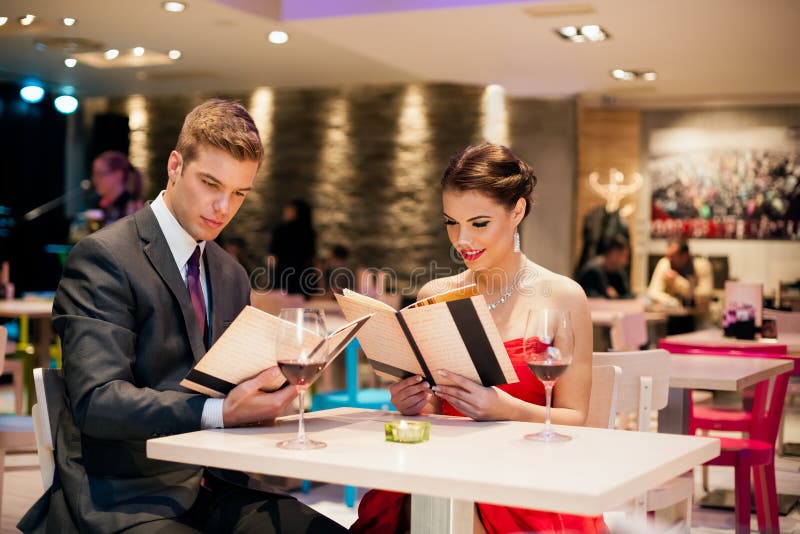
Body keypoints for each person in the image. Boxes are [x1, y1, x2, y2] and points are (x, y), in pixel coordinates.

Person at [18, 100, 346, 534]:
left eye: (240, 193)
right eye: (211, 183)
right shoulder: (104, 257)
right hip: (129, 494)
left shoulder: (229, 273)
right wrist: (220, 412)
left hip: (221, 484)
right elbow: (99, 401)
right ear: (175, 166)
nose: (224, 207)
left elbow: (224, 380)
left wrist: (266, 386)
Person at [350, 143, 605, 534]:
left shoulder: (562, 295)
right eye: (451, 222)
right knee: (431, 496)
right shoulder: (434, 295)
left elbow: (577, 421)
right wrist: (415, 402)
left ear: (516, 211)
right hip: (443, 466)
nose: (462, 239)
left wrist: (506, 408)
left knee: (445, 502)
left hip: (530, 476)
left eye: (479, 223)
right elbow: (435, 408)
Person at [647, 238, 713, 313]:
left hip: (697, 318)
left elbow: (705, 294)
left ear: (685, 255)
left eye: (673, 256)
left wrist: (677, 281)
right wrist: (674, 302)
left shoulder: (701, 265)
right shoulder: (665, 264)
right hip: (670, 316)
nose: (669, 259)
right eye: (667, 256)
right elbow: (653, 292)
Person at [267, 199, 317, 297]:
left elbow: (273, 255)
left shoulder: (280, 230)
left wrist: (272, 276)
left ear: (296, 211)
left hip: (283, 274)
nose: (285, 213)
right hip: (302, 276)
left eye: (288, 210)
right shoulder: (309, 231)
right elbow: (311, 255)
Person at [89, 150, 145, 227]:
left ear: (118, 175)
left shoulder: (133, 209)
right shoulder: (105, 205)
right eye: (94, 174)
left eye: (99, 174)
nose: (94, 180)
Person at [576, 235, 633, 299]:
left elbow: (628, 294)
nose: (626, 261)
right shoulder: (593, 271)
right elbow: (605, 296)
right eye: (624, 256)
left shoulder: (618, 272)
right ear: (614, 253)